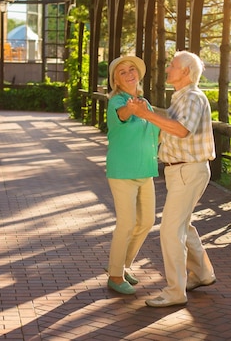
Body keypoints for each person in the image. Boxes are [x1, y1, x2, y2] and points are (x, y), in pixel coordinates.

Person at [127, 50, 216, 307]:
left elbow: (180, 129)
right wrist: (148, 112)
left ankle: (175, 292)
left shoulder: (192, 97)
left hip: (188, 170)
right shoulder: (182, 98)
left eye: (173, 66)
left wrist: (146, 114)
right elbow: (170, 124)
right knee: (183, 226)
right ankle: (202, 274)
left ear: (186, 72)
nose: (168, 70)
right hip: (182, 170)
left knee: (169, 230)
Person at [105, 55, 160, 295]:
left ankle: (124, 265)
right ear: (115, 80)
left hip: (145, 170)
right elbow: (124, 114)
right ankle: (115, 275)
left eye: (132, 70)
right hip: (122, 171)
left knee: (146, 221)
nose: (129, 74)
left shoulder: (145, 103)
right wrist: (131, 107)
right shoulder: (117, 101)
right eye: (122, 72)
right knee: (126, 223)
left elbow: (155, 132)